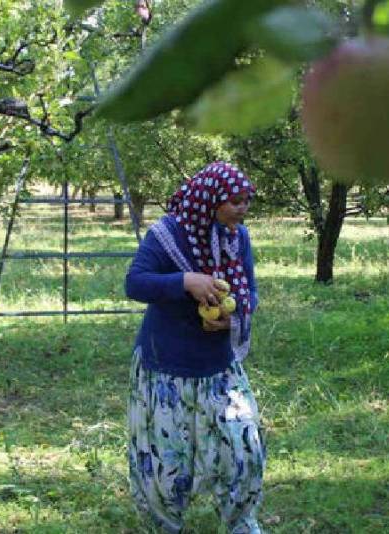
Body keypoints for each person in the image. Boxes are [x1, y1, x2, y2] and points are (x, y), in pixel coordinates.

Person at [124, 161, 265, 533]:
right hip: (166, 366)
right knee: (165, 462)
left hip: (218, 364)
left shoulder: (237, 237)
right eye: (235, 201)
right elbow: (135, 283)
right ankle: (164, 526)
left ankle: (240, 524)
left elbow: (249, 291)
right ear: (210, 200)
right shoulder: (167, 235)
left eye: (246, 200)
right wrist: (186, 281)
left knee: (242, 449)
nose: (242, 208)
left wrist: (231, 319)